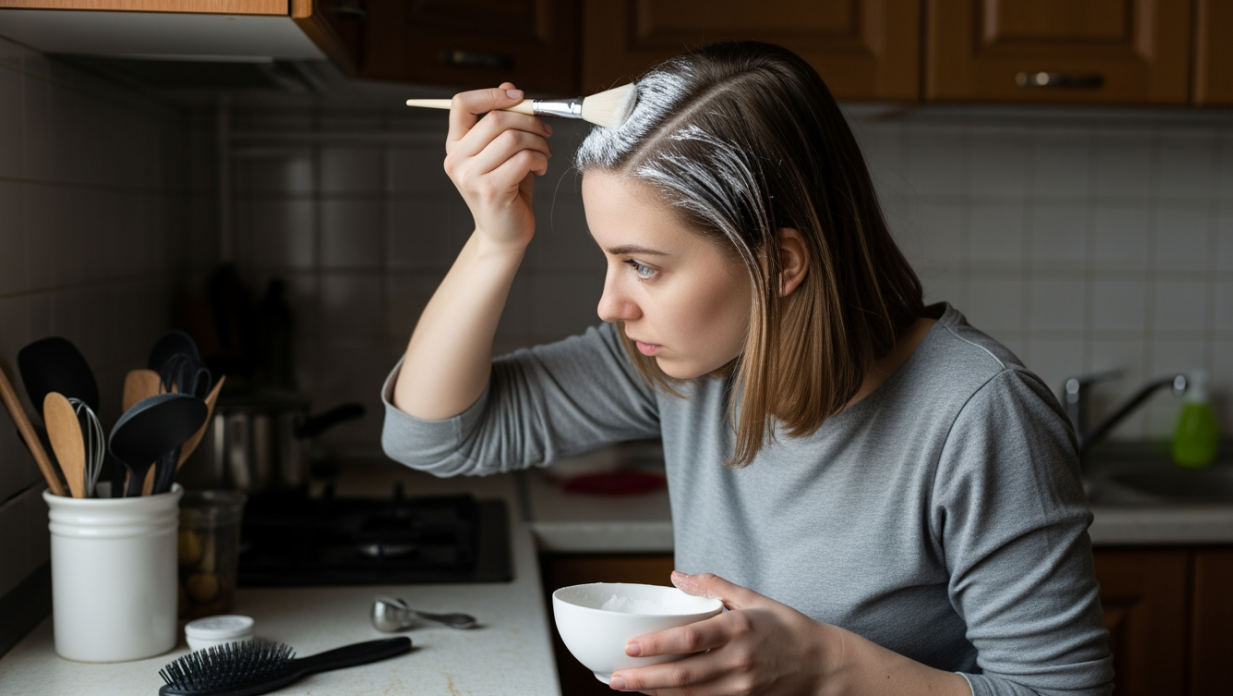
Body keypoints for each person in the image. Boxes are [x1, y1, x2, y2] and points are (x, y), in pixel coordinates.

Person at [382, 42, 1113, 696]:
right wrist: (493, 243)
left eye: (644, 265)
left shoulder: (979, 413)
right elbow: (433, 438)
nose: (610, 305)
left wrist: (828, 670)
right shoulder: (694, 365)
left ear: (780, 263)